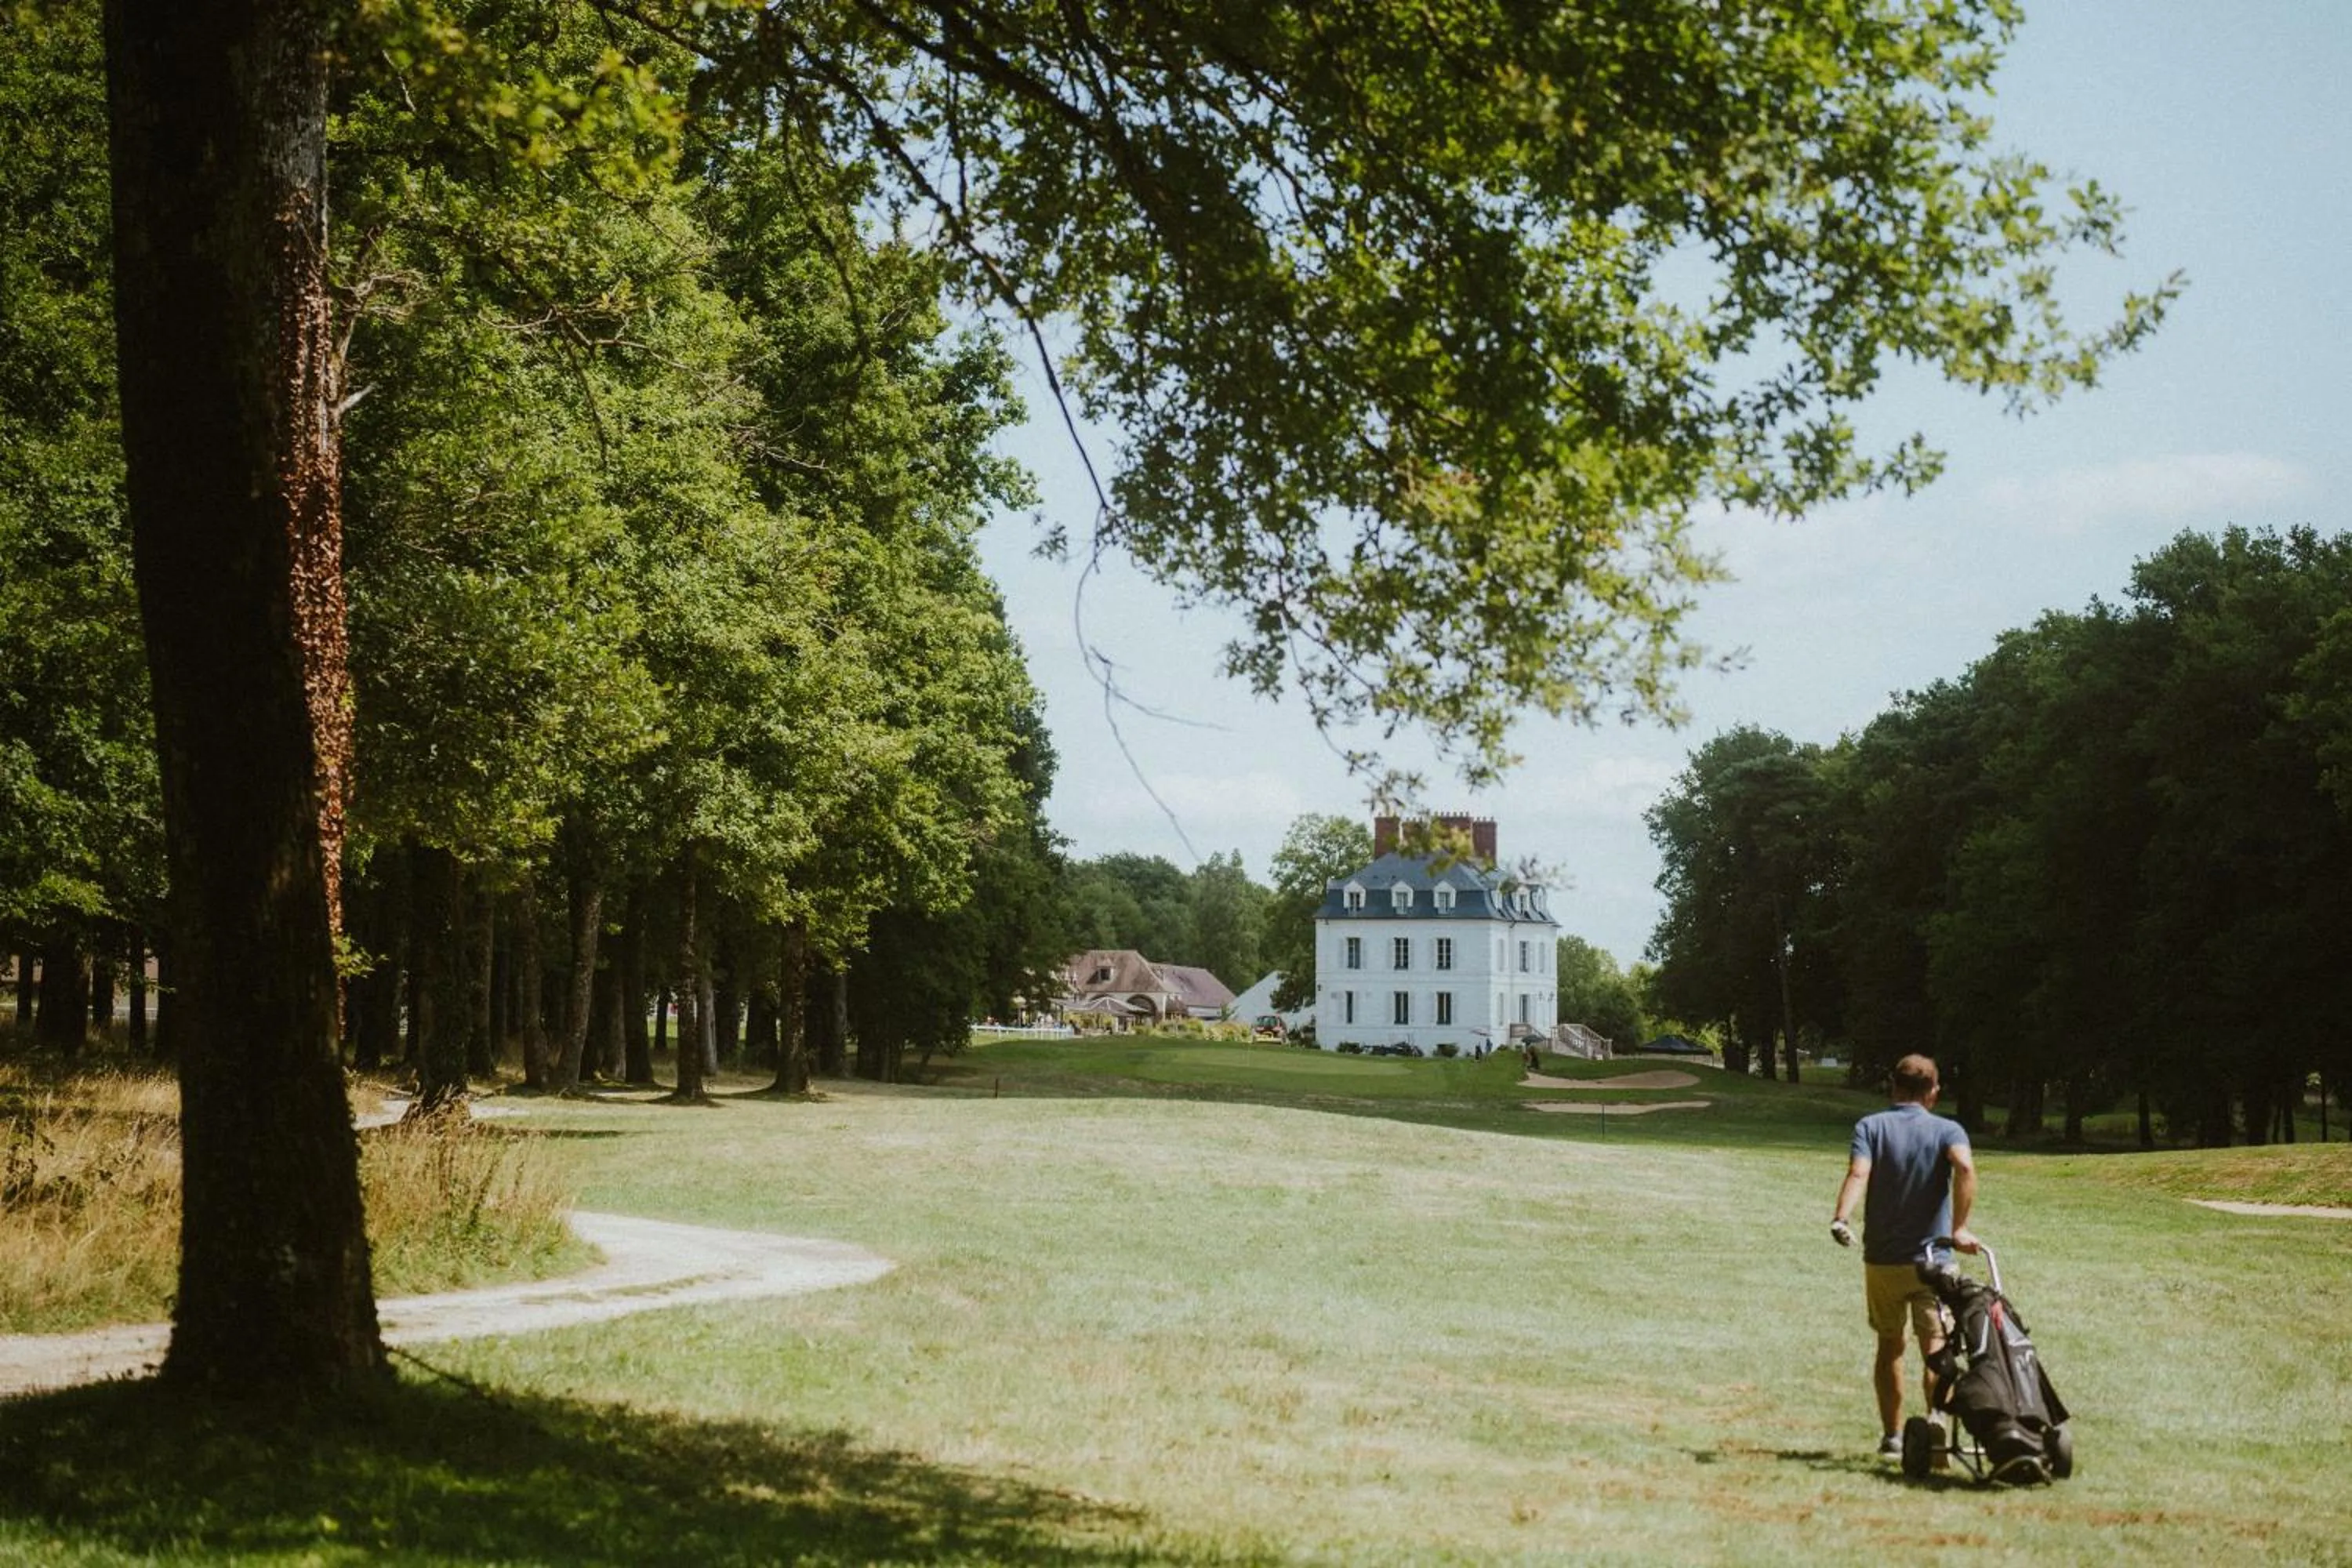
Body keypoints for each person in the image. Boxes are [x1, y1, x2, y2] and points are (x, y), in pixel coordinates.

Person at [1830, 1052, 1979, 1459]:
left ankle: (1893, 1438)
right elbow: (1965, 1169)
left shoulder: (1871, 1126)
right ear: (1933, 1091)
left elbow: (1859, 1173)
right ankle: (1934, 1422)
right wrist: (1959, 1229)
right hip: (1934, 1261)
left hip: (1883, 1259)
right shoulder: (1949, 1129)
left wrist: (1842, 1218)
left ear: (1893, 1086)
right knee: (1936, 1346)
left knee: (1890, 1346)